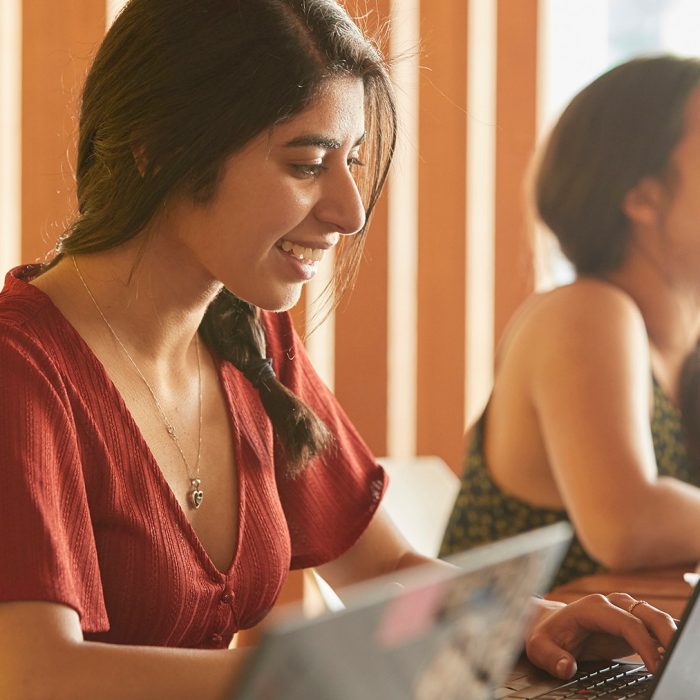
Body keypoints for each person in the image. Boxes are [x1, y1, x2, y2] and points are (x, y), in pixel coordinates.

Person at [0, 5, 676, 699]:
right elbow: (36, 675)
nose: (350, 211)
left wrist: (522, 620)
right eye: (305, 164)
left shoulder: (247, 337)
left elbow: (381, 573)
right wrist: (319, 677)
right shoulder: (21, 367)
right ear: (157, 147)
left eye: (351, 162)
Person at [441, 55, 700, 588]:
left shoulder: (685, 347)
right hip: (512, 668)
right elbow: (627, 524)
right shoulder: (585, 313)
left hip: (620, 665)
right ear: (642, 196)